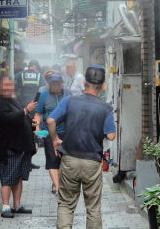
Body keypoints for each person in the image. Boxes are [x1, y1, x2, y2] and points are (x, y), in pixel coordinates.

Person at [46, 65, 116, 229]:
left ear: (84, 82)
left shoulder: (69, 101)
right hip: (92, 161)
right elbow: (111, 135)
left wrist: (55, 139)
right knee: (93, 208)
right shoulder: (105, 108)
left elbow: (50, 121)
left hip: (69, 159)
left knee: (66, 204)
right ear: (103, 85)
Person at [0, 77, 38, 218]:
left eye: (10, 85)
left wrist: (32, 125)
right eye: (5, 85)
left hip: (22, 147)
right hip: (9, 148)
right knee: (8, 177)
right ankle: (5, 207)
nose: (8, 87)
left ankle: (17, 205)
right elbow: (9, 119)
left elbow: (23, 118)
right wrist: (26, 110)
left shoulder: (15, 101)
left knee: (18, 178)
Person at [34, 73, 72, 195]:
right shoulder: (44, 96)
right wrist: (37, 129)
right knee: (52, 160)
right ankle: (58, 188)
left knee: (63, 161)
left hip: (66, 133)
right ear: (49, 84)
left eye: (58, 83)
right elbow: (38, 114)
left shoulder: (68, 94)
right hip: (50, 133)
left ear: (62, 83)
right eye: (53, 83)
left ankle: (57, 182)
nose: (56, 86)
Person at [14, 59, 44, 169]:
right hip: (34, 109)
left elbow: (13, 85)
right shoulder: (40, 76)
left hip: (22, 109)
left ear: (29, 66)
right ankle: (27, 162)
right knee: (32, 136)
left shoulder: (20, 75)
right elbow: (44, 90)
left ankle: (23, 161)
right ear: (36, 67)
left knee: (22, 135)